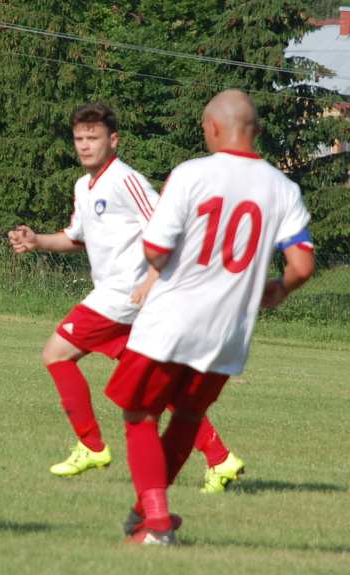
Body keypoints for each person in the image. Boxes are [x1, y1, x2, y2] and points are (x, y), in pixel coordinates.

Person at [106, 89, 315, 545]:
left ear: (213, 128)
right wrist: (279, 290)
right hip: (228, 333)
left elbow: (157, 249)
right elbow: (302, 264)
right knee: (187, 416)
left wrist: (158, 265)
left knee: (140, 414)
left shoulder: (191, 174)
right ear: (255, 130)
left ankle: (156, 520)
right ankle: (147, 515)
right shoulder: (284, 188)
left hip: (172, 319)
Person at [8, 103, 243, 493]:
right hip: (122, 301)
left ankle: (90, 444)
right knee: (161, 388)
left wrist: (154, 279)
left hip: (122, 298)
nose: (84, 146)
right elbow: (74, 238)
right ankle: (221, 459)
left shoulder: (126, 180)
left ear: (113, 140)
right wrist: (37, 242)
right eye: (79, 139)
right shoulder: (83, 187)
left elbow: (167, 226)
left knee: (55, 353)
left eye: (93, 138)